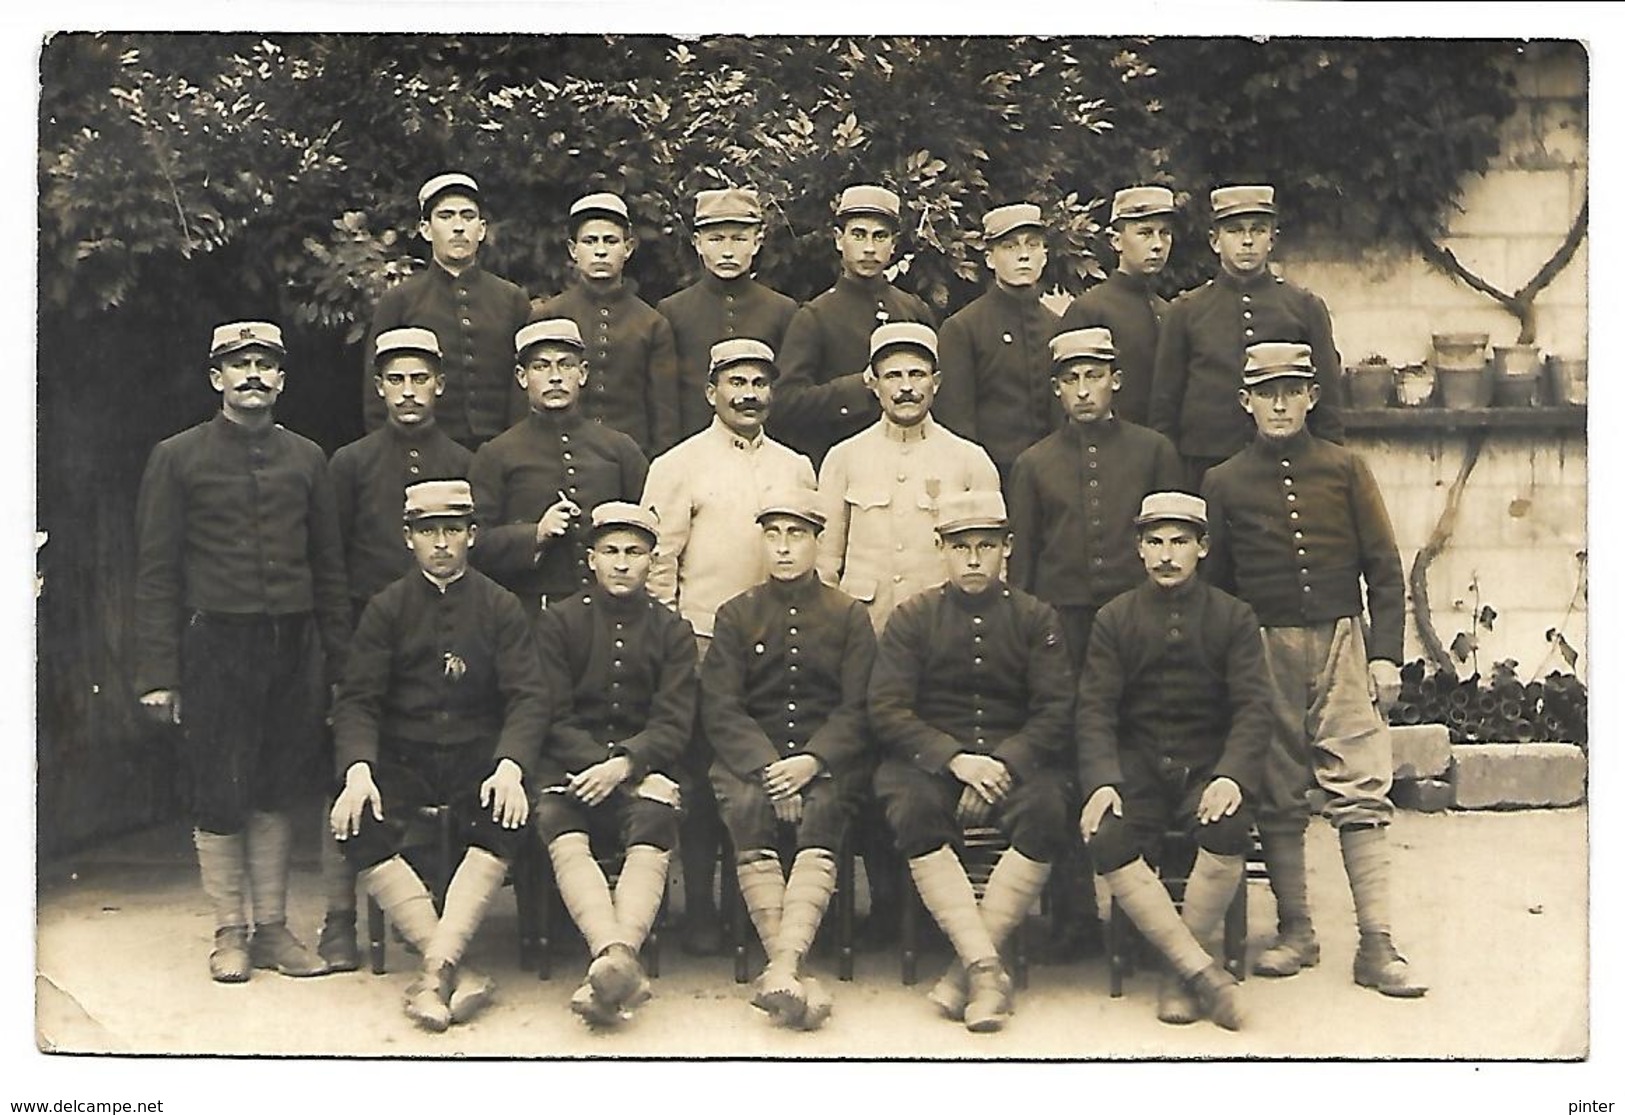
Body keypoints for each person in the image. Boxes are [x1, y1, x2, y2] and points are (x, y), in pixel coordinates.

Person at [1201, 341, 1425, 998]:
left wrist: (1384, 655)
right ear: (1245, 401)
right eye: (1265, 391)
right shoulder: (1222, 481)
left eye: (1290, 389)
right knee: (1276, 788)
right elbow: (1215, 588)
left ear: (1311, 396)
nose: (1278, 402)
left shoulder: (1344, 468)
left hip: (1340, 643)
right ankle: (1296, 929)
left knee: (1359, 783)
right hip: (1260, 647)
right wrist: (1229, 670)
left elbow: (1383, 569)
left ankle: (1376, 941)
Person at [133, 320, 350, 982]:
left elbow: (329, 567)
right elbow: (155, 571)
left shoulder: (308, 457)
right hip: (215, 642)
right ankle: (230, 930)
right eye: (239, 363)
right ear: (216, 378)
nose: (252, 374)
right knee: (220, 788)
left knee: (278, 788)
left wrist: (338, 666)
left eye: (265, 364)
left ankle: (274, 929)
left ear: (282, 379)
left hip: (292, 643)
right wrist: (158, 673)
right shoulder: (177, 456)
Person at [330, 479, 549, 1031]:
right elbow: (359, 700)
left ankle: (433, 974)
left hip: (478, 755)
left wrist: (510, 766)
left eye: (453, 530)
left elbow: (528, 695)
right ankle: (451, 966)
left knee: (507, 813)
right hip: (405, 757)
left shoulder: (501, 606)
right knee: (355, 821)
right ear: (409, 539)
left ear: (473, 535)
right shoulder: (386, 608)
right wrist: (358, 771)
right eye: (428, 532)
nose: (442, 544)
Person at [869, 491, 1074, 1033]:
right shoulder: (912, 618)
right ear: (941, 550)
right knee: (908, 805)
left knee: (1050, 808)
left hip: (1016, 763)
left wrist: (1004, 763)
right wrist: (954, 760)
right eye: (962, 547)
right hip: (933, 765)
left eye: (987, 546)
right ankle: (986, 969)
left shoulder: (1035, 617)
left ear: (1007, 549)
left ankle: (966, 973)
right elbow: (887, 709)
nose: (975, 558)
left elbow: (1056, 709)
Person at [642, 338, 817, 955]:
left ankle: (764, 911)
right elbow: (658, 563)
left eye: (759, 383)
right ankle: (700, 910)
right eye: (734, 383)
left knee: (758, 770)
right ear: (711, 391)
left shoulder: (796, 466)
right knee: (696, 772)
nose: (748, 395)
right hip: (700, 638)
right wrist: (669, 643)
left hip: (778, 640)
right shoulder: (677, 464)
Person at [1076, 492, 1272, 1031]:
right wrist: (1101, 781)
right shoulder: (1115, 618)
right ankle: (1198, 972)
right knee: (1107, 832)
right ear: (1138, 549)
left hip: (1206, 766)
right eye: (1155, 542)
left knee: (1227, 826)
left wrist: (1231, 773)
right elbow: (1094, 708)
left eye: (1180, 542)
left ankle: (1176, 973)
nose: (1167, 555)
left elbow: (1255, 707)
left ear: (1202, 548)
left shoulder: (1233, 617)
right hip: (1137, 768)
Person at [321, 326, 473, 970]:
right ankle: (337, 920)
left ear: (439, 384)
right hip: (367, 636)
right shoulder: (350, 463)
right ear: (379, 387)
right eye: (396, 380)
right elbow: (329, 564)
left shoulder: (466, 460)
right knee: (350, 773)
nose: (409, 392)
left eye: (420, 379)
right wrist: (338, 654)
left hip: (444, 638)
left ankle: (439, 922)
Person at [703, 489, 878, 1030]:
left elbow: (860, 707)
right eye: (773, 534)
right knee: (746, 806)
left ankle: (781, 963)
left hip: (825, 763)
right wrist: (766, 766)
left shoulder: (848, 615)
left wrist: (813, 761)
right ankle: (794, 965)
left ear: (817, 542)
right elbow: (721, 707)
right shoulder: (736, 614)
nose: (783, 548)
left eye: (796, 534)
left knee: (826, 809)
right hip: (752, 762)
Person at [531, 502, 697, 1027]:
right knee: (560, 818)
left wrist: (626, 765)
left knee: (654, 815)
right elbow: (552, 716)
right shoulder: (559, 621)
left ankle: (609, 961)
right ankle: (619, 956)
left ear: (652, 561)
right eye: (610, 552)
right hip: (573, 768)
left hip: (645, 768)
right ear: (591, 559)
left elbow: (674, 722)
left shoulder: (672, 629)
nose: (622, 563)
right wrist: (598, 766)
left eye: (634, 552)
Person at [1008, 327, 1184, 669]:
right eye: (1071, 379)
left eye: (1094, 376)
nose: (1084, 391)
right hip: (1062, 618)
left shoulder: (1154, 451)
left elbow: (1175, 540)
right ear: (1057, 388)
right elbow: (1024, 560)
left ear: (1115, 380)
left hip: (1139, 611)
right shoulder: (1033, 463)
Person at [1149, 185, 1344, 487]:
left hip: (1285, 466)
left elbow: (1328, 405)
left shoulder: (1304, 307)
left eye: (1258, 229)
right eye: (1235, 231)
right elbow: (1165, 408)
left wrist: (1328, 473)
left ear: (1272, 239)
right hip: (1205, 464)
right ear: (1215, 241)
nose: (1248, 240)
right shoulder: (1186, 311)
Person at [817, 322, 1001, 634]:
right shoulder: (843, 457)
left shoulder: (971, 460)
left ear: (936, 382)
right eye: (893, 376)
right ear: (874, 384)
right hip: (864, 627)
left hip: (941, 627)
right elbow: (825, 562)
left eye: (917, 375)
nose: (906, 388)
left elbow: (992, 564)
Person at [468, 318, 648, 613]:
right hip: (533, 613)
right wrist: (535, 534)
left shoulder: (619, 449)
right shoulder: (496, 454)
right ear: (521, 376)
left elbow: (651, 525)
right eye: (541, 366)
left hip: (611, 613)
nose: (555, 377)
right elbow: (473, 543)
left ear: (583, 374)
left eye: (565, 365)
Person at [364, 173, 531, 449]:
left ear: (481, 229)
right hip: (425, 448)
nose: (458, 227)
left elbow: (526, 381)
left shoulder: (511, 298)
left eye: (467, 216)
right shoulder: (400, 300)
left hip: (501, 449)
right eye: (446, 216)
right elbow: (376, 391)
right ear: (426, 229)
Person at [771, 185, 935, 464]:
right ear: (839, 239)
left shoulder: (913, 310)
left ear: (893, 244)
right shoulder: (815, 316)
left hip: (915, 458)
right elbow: (784, 402)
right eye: (858, 235)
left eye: (880, 236)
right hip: (845, 462)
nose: (869, 248)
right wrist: (858, 387)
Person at [532, 192, 681, 456]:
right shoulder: (549, 314)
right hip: (557, 453)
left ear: (628, 248)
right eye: (590, 241)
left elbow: (664, 413)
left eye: (610, 241)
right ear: (573, 249)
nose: (600, 251)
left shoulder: (651, 323)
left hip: (631, 456)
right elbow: (528, 400)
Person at [657, 187, 799, 441]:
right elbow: (667, 399)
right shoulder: (673, 310)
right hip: (695, 449)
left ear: (757, 242)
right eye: (716, 239)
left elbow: (787, 392)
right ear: (698, 243)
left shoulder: (782, 310)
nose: (727, 251)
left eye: (739, 238)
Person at [933, 202, 1062, 480]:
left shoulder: (1057, 326)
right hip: (990, 476)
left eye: (1033, 245)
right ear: (990, 258)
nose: (1024, 255)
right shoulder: (963, 327)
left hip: (1052, 476)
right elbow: (957, 423)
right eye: (1010, 246)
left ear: (1045, 255)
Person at [1059, 186, 1178, 426]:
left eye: (1164, 233)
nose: (1157, 244)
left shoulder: (1168, 310)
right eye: (1145, 233)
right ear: (1116, 241)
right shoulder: (1089, 310)